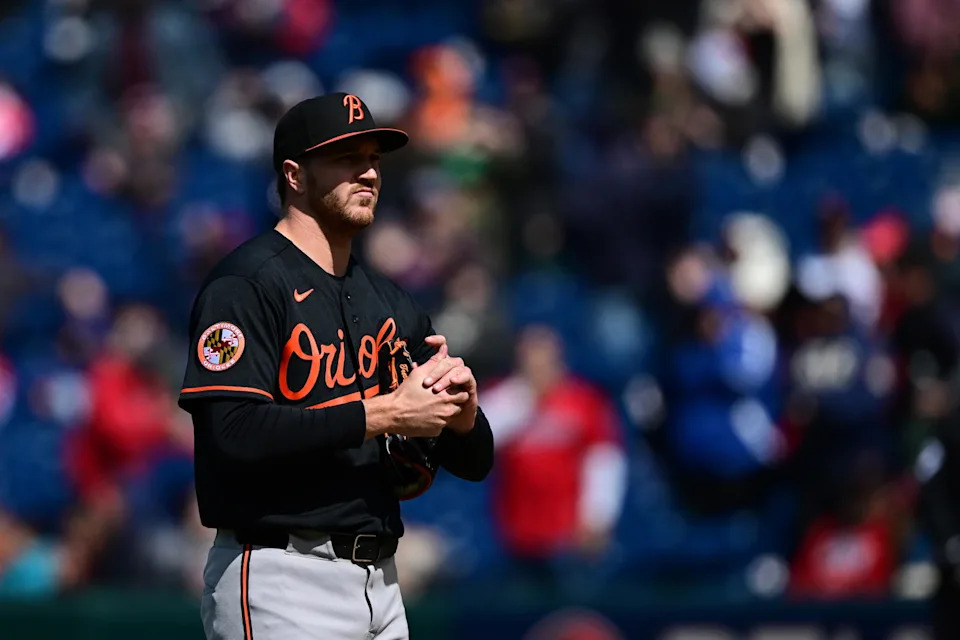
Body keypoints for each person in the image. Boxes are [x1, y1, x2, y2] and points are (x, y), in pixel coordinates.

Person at [177, 93, 494, 640]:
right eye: (346, 158)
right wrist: (382, 413)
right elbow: (231, 431)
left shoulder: (389, 302)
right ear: (295, 175)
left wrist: (461, 412)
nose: (368, 172)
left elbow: (475, 459)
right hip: (282, 573)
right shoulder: (245, 286)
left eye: (373, 158)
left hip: (382, 584)